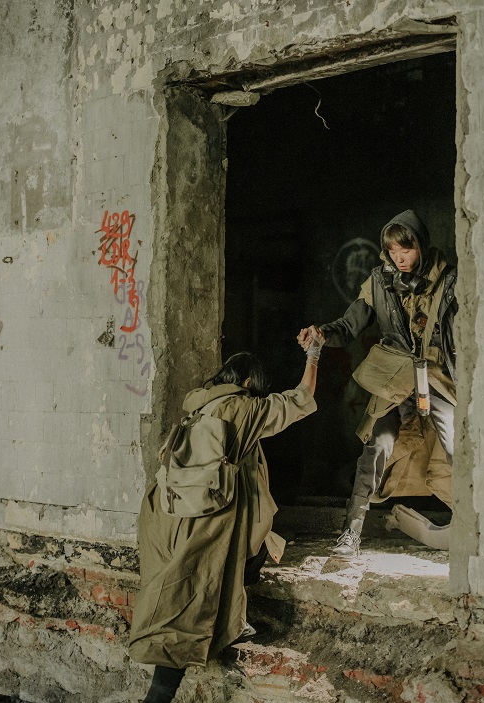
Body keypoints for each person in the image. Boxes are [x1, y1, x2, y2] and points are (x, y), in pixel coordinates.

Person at [128, 337, 323, 703]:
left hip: (167, 516)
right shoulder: (242, 408)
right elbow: (301, 398)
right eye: (256, 388)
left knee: (177, 594)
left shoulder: (195, 408)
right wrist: (314, 353)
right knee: (182, 612)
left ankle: (233, 618)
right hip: (206, 520)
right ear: (248, 382)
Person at [298, 210, 457, 557]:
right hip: (395, 377)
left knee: (457, 446)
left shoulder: (449, 281)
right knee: (377, 447)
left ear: (421, 246)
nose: (401, 259)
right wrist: (322, 333)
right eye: (394, 252)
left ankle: (475, 522)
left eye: (408, 250)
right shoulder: (378, 283)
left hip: (437, 377)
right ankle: (351, 531)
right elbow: (350, 323)